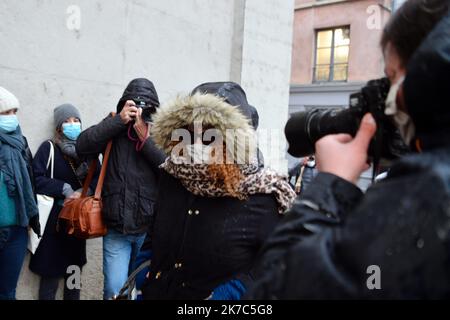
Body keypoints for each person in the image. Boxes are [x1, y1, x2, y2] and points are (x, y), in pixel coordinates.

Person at [246, 0, 450, 299]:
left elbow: (275, 292)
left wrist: (330, 187)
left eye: (392, 78)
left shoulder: (430, 187)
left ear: (426, 72)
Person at [141, 85, 296, 300]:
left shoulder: (264, 193)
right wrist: (143, 268)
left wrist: (234, 292)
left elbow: (278, 260)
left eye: (208, 134)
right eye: (188, 131)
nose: (195, 142)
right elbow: (154, 231)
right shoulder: (172, 175)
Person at [76, 78, 166, 299]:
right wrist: (118, 122)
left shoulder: (160, 133)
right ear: (125, 104)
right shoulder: (113, 126)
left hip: (148, 232)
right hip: (118, 228)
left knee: (142, 290)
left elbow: (168, 168)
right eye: (134, 105)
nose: (139, 112)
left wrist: (145, 138)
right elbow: (82, 145)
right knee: (115, 291)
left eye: (145, 108)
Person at [29, 104, 100, 300]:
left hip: (77, 228)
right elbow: (36, 178)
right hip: (54, 228)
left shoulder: (88, 152)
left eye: (75, 120)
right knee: (49, 287)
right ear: (59, 127)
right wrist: (64, 189)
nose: (72, 124)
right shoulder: (49, 148)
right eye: (67, 121)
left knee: (73, 283)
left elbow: (98, 178)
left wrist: (84, 192)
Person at [0, 87, 40, 300]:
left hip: (17, 230)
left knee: (8, 292)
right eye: (5, 113)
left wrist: (31, 221)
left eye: (14, 111)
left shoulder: (20, 143)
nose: (12, 118)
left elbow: (30, 183)